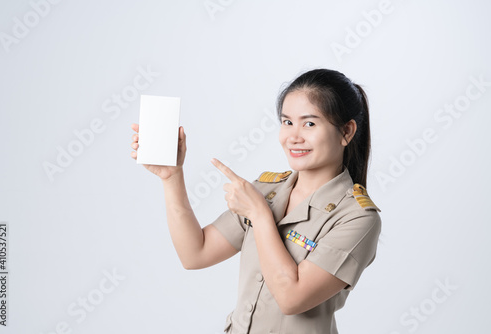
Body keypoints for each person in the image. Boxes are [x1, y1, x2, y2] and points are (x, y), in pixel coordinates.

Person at [130, 68, 382, 334]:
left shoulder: (357, 217)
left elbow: (291, 298)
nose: (294, 136)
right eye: (287, 122)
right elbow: (195, 253)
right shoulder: (266, 191)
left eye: (309, 123)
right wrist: (171, 177)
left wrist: (261, 216)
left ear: (346, 132)